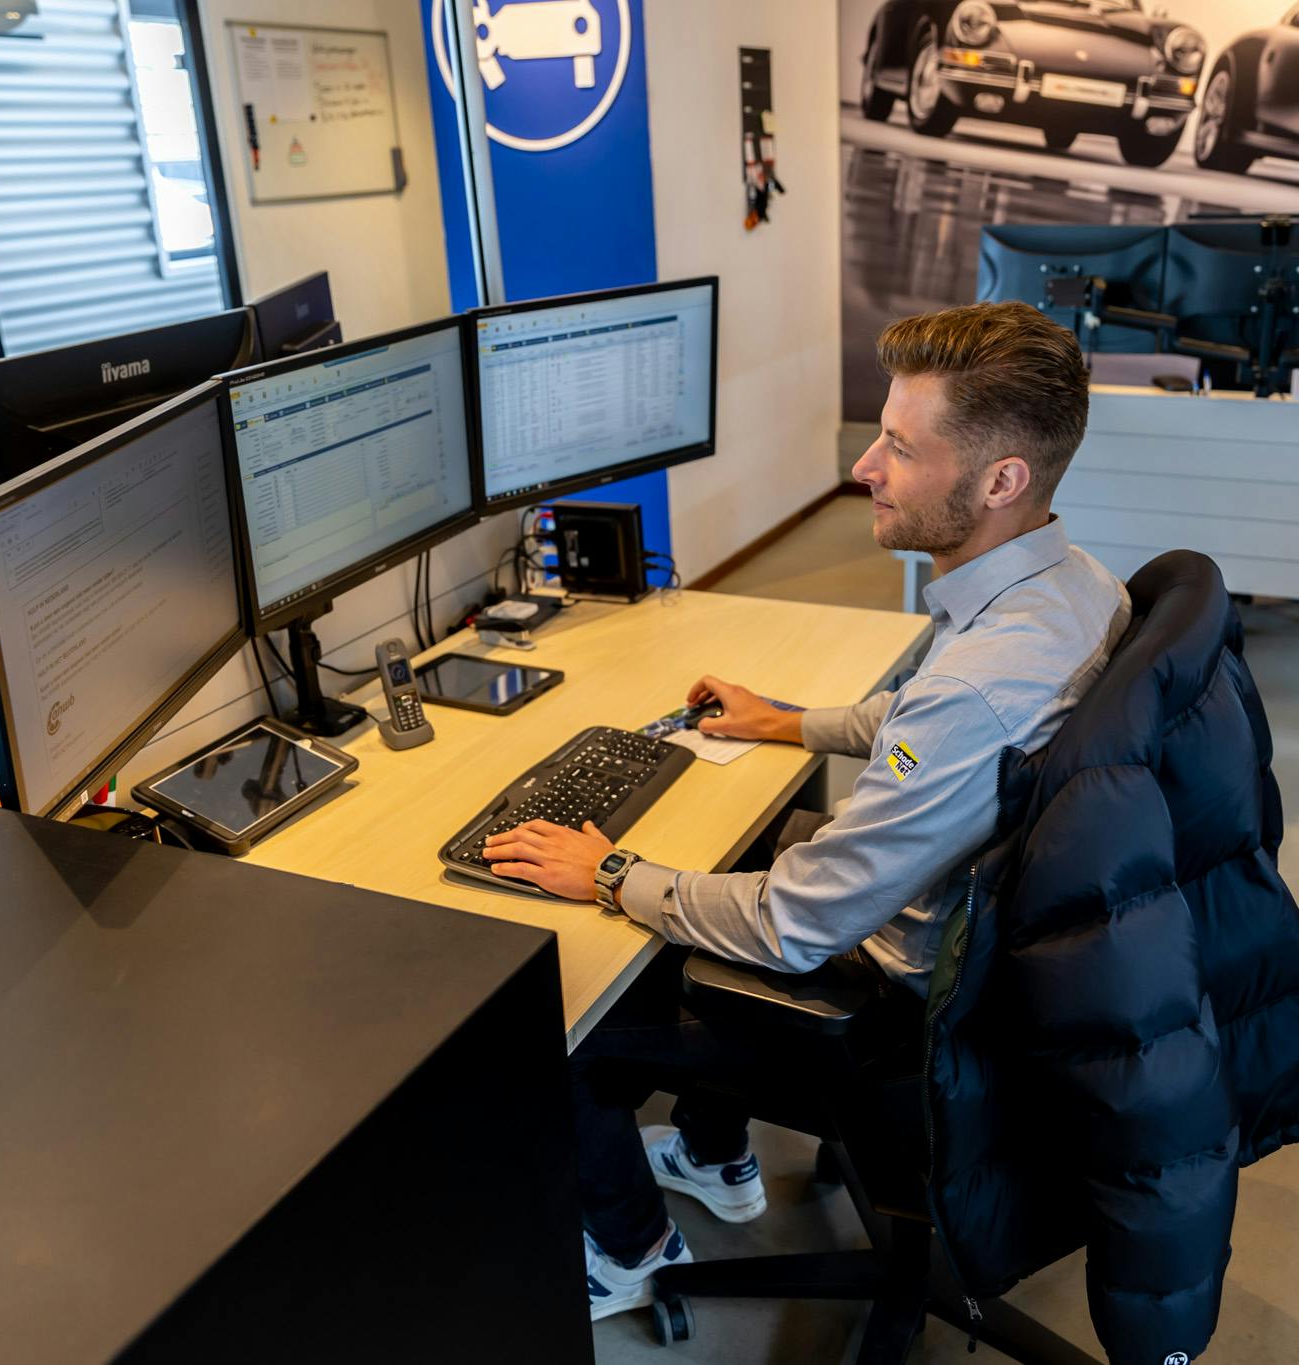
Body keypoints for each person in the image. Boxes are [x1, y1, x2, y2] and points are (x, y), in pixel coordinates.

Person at [482, 300, 1132, 1321]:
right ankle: (714, 1155)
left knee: (554, 1014)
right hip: (982, 942)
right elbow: (928, 722)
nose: (865, 467)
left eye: (900, 448)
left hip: (895, 1007)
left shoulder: (978, 688)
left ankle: (630, 1244)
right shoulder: (1073, 584)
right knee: (736, 845)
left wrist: (607, 872)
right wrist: (787, 721)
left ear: (1000, 481)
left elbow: (794, 925)